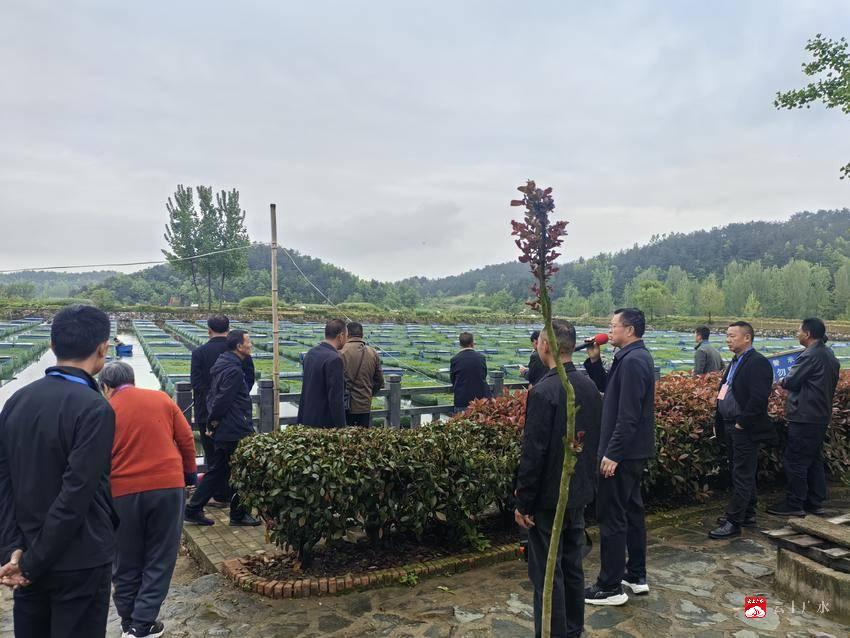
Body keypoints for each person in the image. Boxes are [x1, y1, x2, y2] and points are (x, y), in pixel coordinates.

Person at [0, 305, 117, 638]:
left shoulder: (17, 400)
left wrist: (13, 551)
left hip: (25, 554)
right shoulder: (94, 407)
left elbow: (4, 482)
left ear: (52, 345)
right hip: (79, 559)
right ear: (102, 348)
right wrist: (32, 562)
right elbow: (76, 494)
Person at [515, 319, 602, 638]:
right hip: (578, 491)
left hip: (549, 498)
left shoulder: (544, 391)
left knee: (548, 573)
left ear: (545, 345)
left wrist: (523, 502)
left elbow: (534, 452)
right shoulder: (589, 386)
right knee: (572, 565)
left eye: (539, 341)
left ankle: (552, 632)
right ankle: (573, 629)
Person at [100, 361, 197, 638]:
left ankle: (129, 622)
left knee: (125, 560)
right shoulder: (162, 399)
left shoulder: (103, 410)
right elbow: (186, 439)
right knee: (160, 556)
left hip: (122, 492)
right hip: (167, 487)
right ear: (132, 379)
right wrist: (189, 474)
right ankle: (141, 625)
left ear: (106, 387)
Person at [583, 308, 655, 606]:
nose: (609, 330)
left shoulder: (634, 361)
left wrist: (613, 453)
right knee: (632, 512)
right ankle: (635, 575)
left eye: (613, 326)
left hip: (623, 454)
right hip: (631, 452)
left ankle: (609, 586)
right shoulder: (630, 357)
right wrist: (594, 360)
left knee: (612, 516)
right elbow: (608, 388)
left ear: (630, 330)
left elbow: (628, 414)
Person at [184, 330, 260, 527]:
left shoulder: (224, 364)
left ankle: (193, 509)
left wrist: (213, 420)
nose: (251, 345)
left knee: (218, 470)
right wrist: (213, 420)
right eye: (248, 341)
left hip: (227, 426)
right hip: (234, 427)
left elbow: (213, 395)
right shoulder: (233, 370)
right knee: (240, 470)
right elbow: (223, 399)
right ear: (239, 346)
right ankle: (238, 514)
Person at [709, 321, 776, 539]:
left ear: (747, 338)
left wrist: (742, 423)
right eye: (727, 336)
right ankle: (747, 513)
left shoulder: (757, 362)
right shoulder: (736, 361)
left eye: (732, 336)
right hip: (730, 424)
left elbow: (759, 398)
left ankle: (734, 521)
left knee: (742, 474)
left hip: (744, 428)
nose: (728, 340)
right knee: (741, 471)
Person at [767, 318, 840, 517]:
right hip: (820, 415)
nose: (797, 334)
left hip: (804, 416)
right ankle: (814, 501)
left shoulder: (810, 355)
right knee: (813, 459)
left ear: (807, 334)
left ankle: (794, 503)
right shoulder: (829, 354)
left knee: (795, 460)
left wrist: (781, 380)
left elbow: (791, 381)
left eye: (798, 331)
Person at [297, 319, 348, 427]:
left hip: (306, 417)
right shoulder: (335, 359)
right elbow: (336, 398)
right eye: (347, 336)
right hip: (324, 423)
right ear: (341, 336)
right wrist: (342, 427)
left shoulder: (311, 353)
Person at [340, 322, 384, 426]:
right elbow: (380, 381)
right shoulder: (373, 352)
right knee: (363, 434)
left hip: (345, 405)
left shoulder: (340, 351)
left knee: (344, 434)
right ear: (362, 334)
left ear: (346, 334)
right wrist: (368, 393)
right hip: (365, 405)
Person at [450, 332, 492, 412]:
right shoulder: (481, 358)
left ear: (460, 344)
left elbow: (453, 379)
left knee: (461, 419)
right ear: (472, 343)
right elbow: (484, 375)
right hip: (479, 401)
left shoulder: (455, 359)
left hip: (462, 400)